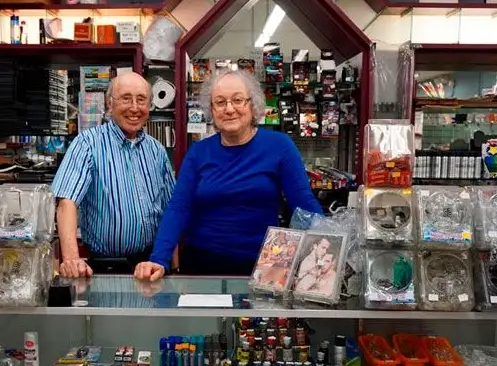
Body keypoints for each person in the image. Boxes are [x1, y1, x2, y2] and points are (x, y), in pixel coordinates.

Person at [134, 70, 323, 281]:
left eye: (238, 100)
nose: (229, 109)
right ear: (212, 110)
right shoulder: (198, 152)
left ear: (252, 105)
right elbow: (179, 207)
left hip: (265, 266)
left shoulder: (280, 146)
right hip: (202, 266)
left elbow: (304, 205)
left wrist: (328, 249)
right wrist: (159, 258)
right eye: (220, 102)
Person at [52, 72, 177, 276]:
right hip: (105, 267)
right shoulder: (88, 144)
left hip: (149, 266)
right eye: (126, 99)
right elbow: (67, 202)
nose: (134, 108)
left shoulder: (157, 150)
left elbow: (171, 210)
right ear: (110, 104)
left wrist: (172, 265)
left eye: (141, 100)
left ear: (149, 106)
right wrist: (72, 260)